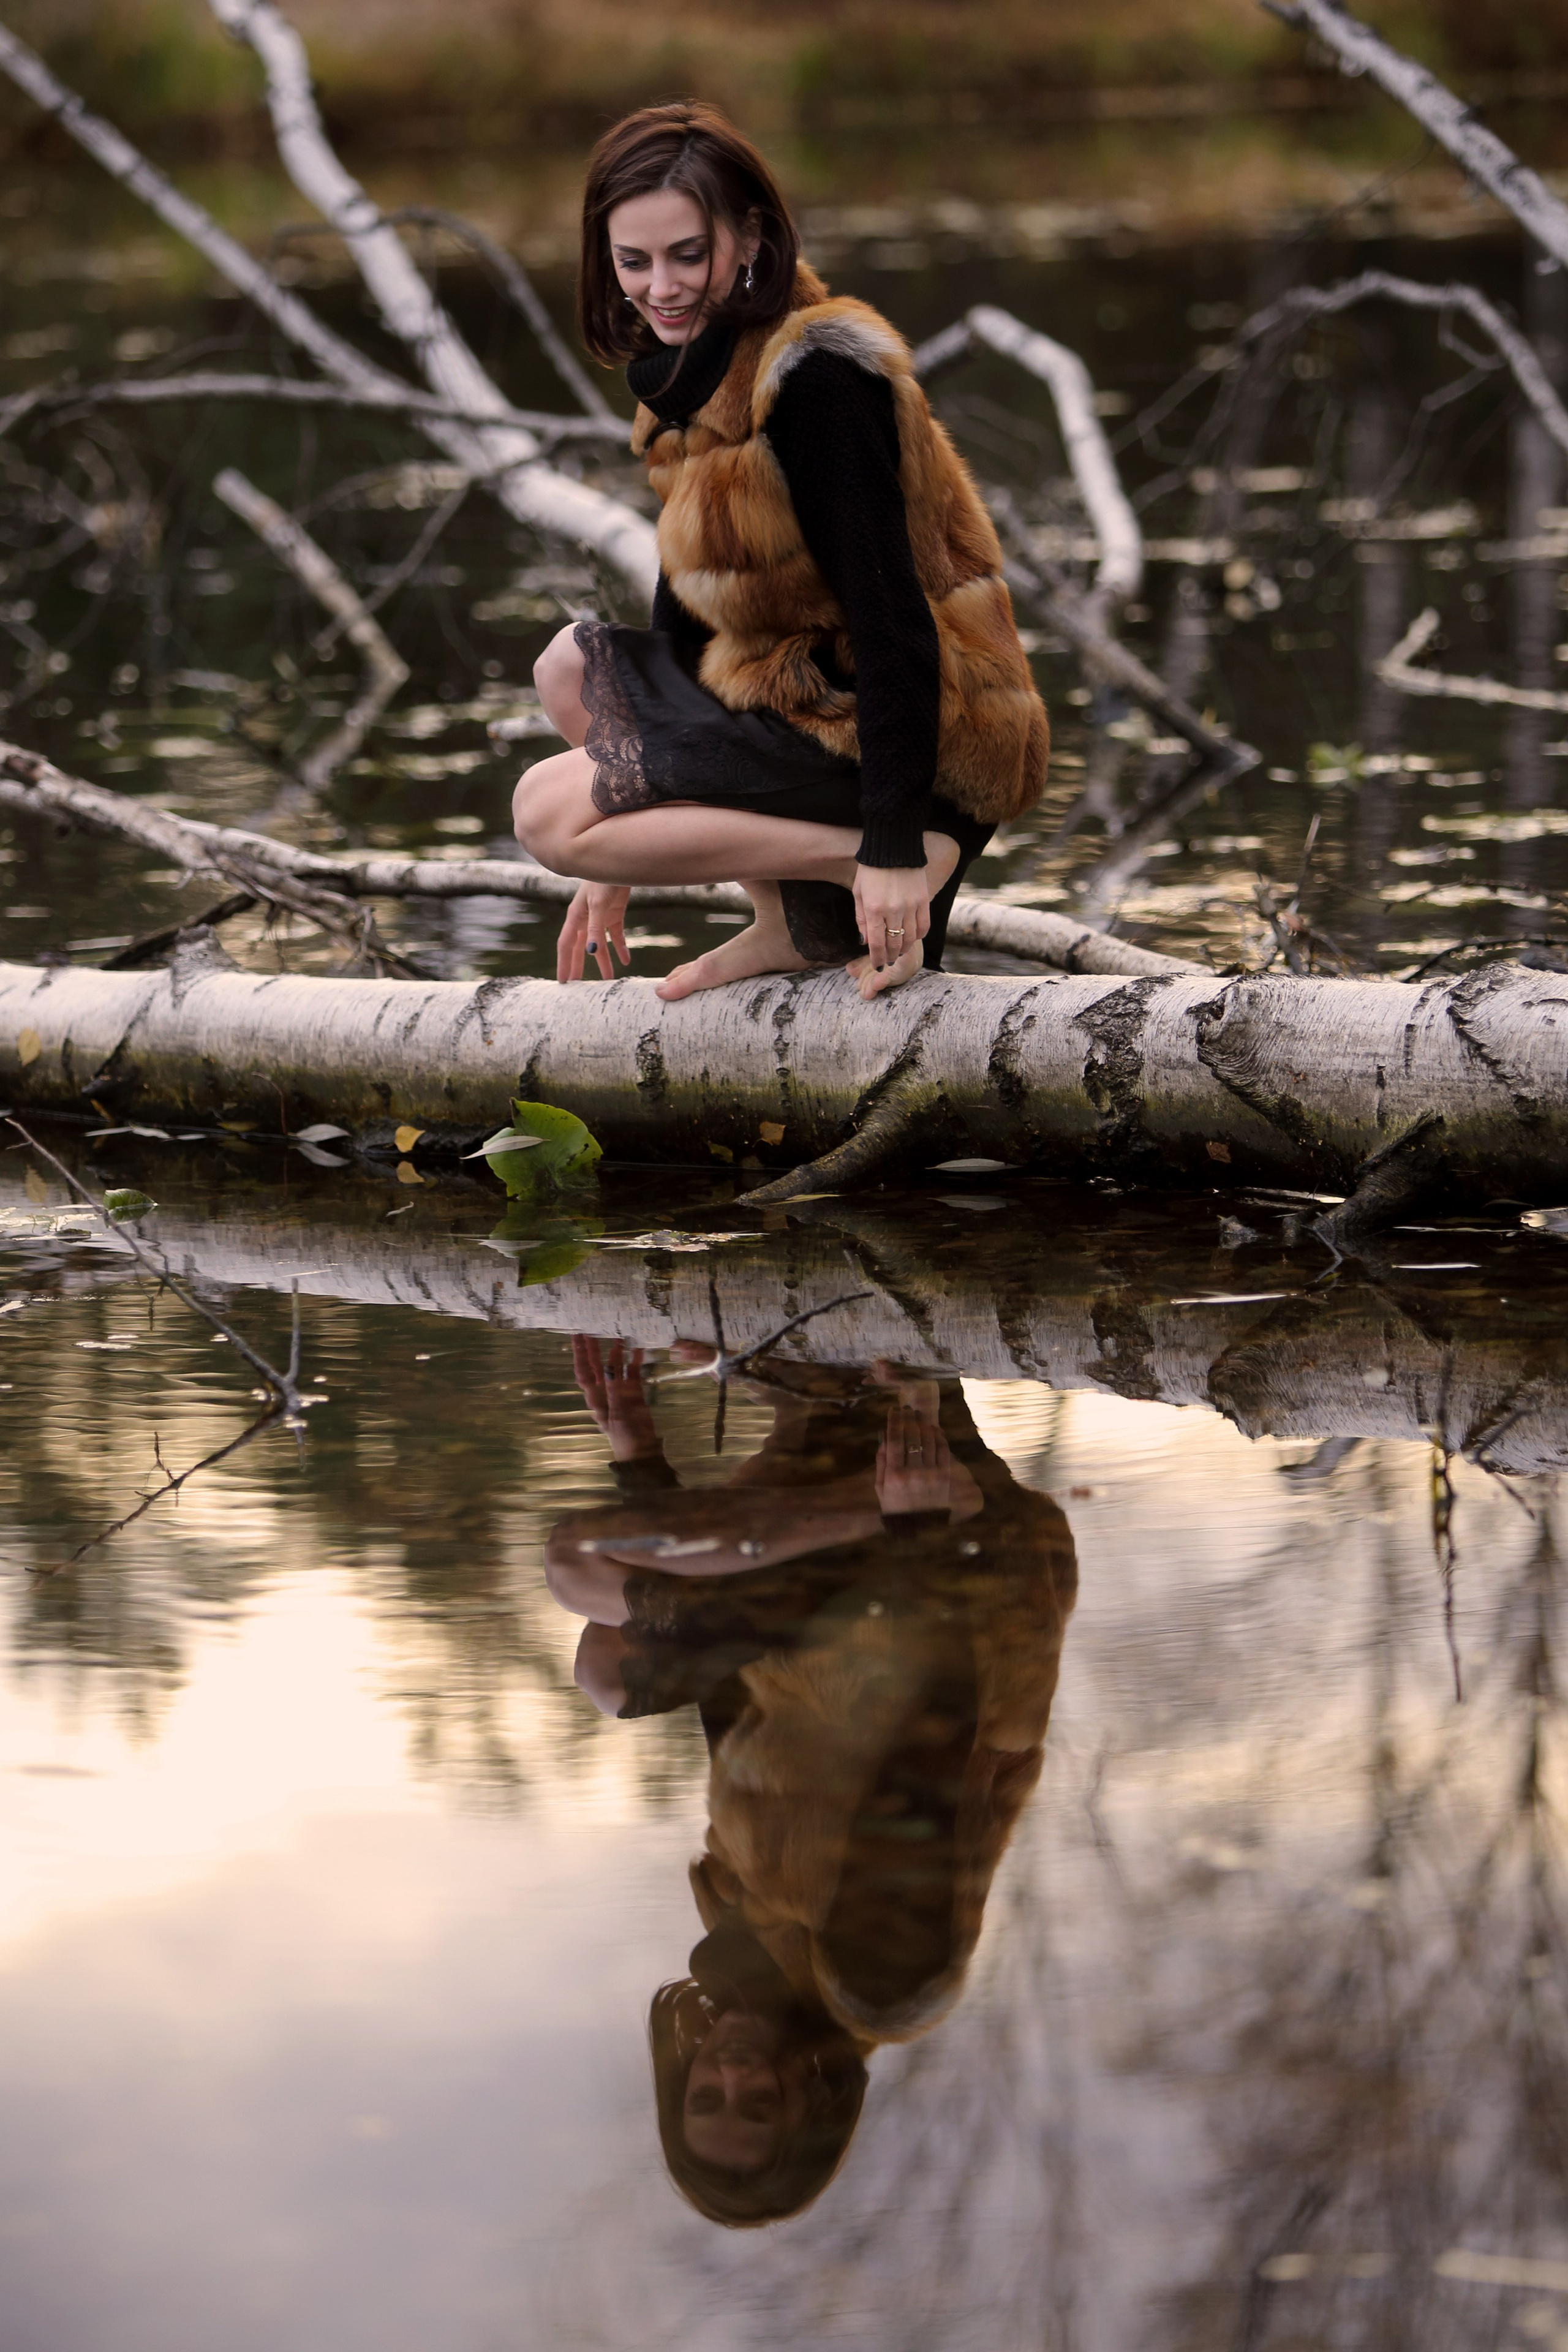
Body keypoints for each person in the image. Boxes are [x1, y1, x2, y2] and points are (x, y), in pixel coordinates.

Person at [511, 103, 1050, 1003]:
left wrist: (885, 847)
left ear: (751, 237)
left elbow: (897, 628)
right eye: (632, 261)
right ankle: (792, 923)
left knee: (544, 809)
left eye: (689, 254)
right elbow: (690, 609)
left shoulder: (817, 381)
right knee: (571, 666)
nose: (661, 287)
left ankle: (883, 867)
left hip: (916, 731)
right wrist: (622, 829)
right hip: (799, 691)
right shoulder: (694, 372)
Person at [547, 1340, 1079, 2226]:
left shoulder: (737, 1939)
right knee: (580, 1569)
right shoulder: (886, 1984)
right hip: (951, 1590)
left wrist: (642, 1459)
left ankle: (832, 1404)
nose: (732, 2076)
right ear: (814, 2102)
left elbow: (741, 1707)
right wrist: (913, 1528)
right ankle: (892, 1444)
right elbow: (932, 1741)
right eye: (760, 2104)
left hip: (847, 1616)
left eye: (707, 2097)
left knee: (607, 1672)